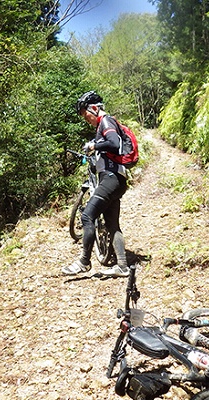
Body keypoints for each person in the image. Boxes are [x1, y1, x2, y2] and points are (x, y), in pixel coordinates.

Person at [62, 91, 130, 277]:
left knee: (87, 217)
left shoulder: (106, 122)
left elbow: (114, 143)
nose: (87, 119)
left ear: (94, 108)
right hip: (117, 179)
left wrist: (94, 146)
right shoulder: (105, 124)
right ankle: (123, 266)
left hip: (111, 178)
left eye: (86, 115)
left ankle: (84, 262)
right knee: (112, 224)